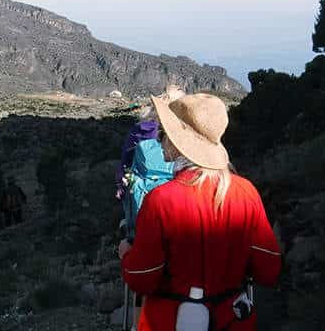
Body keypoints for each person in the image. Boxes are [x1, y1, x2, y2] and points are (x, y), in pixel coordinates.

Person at [118, 93, 281, 331]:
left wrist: (126, 254)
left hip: (169, 322)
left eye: (165, 133)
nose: (161, 139)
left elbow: (142, 277)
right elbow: (268, 270)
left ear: (177, 142)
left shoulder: (162, 200)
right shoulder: (246, 193)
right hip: (231, 321)